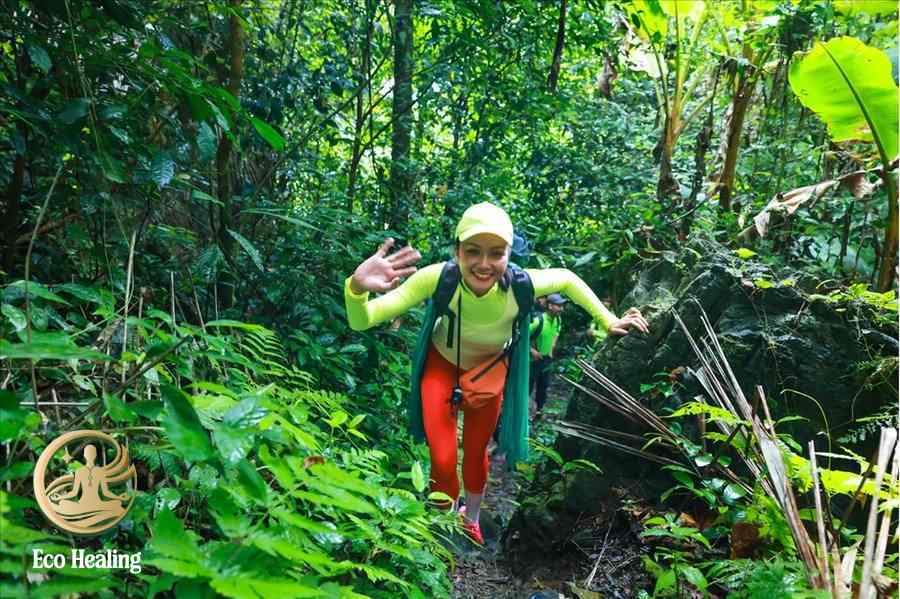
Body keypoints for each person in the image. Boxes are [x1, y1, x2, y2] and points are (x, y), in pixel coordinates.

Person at [344, 202, 649, 545]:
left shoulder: (521, 284)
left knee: (476, 453)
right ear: (457, 251)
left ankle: (471, 518)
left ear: (509, 254)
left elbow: (567, 279)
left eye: (496, 253)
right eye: (473, 251)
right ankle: (444, 520)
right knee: (442, 456)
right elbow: (362, 320)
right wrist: (356, 288)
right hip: (441, 368)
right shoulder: (438, 278)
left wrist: (609, 320)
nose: (484, 263)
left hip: (488, 373)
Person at [529, 293, 567, 420]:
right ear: (550, 306)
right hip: (532, 361)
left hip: (546, 360)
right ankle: (521, 413)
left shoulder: (558, 320)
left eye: (562, 306)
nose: (561, 309)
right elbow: (520, 336)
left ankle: (539, 412)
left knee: (543, 386)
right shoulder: (538, 321)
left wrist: (551, 348)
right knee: (527, 387)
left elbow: (557, 332)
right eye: (559, 306)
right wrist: (532, 351)